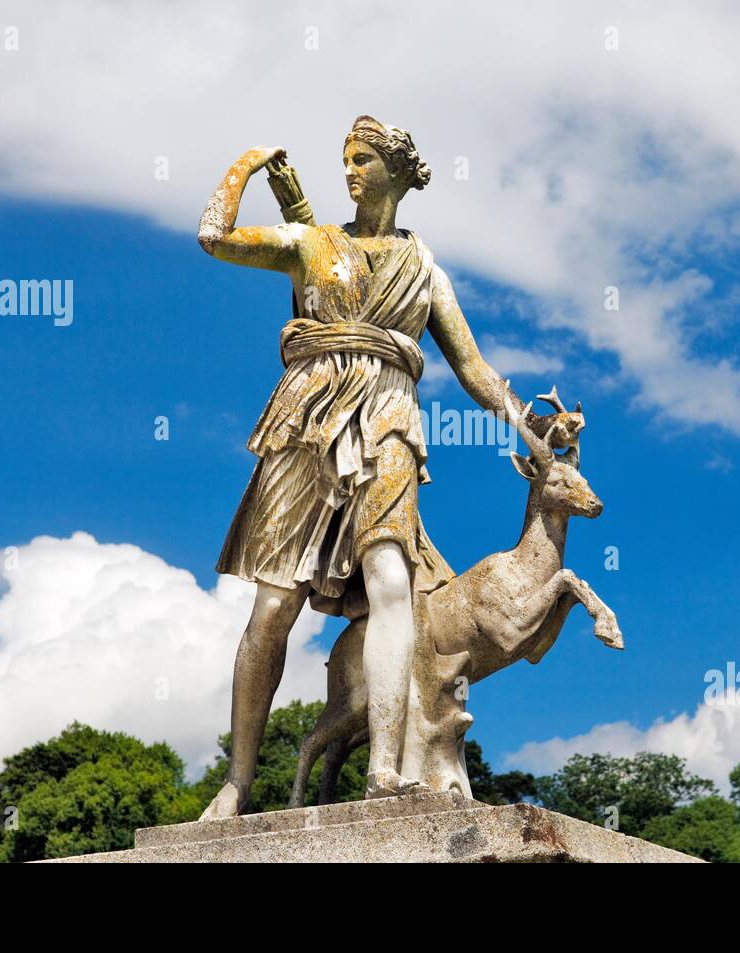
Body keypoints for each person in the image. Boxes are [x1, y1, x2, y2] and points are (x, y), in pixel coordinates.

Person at [196, 116, 575, 817]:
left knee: (393, 581)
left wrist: (530, 426)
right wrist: (247, 163)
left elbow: (475, 369)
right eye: (344, 158)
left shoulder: (424, 270)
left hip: (391, 416)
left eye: (364, 158)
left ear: (399, 170)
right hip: (306, 417)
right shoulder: (312, 242)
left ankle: (385, 770)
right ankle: (238, 780)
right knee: (274, 605)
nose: (350, 170)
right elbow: (215, 237)